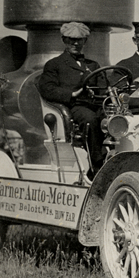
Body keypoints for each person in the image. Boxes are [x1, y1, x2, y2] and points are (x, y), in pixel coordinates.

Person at [37, 21, 105, 177]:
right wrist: (71, 94)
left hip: (96, 105)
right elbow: (47, 89)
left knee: (118, 119)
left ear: (85, 41)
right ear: (63, 40)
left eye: (79, 40)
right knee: (91, 120)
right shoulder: (55, 65)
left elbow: (103, 88)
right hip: (74, 107)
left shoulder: (93, 65)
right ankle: (97, 167)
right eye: (70, 39)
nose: (75, 43)